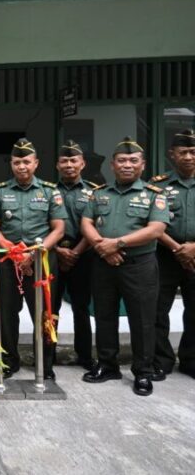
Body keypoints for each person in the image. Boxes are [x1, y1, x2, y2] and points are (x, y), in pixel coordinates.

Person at [80, 137, 168, 396]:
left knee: (142, 320)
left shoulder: (154, 195)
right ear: (112, 165)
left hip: (139, 265)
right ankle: (108, 365)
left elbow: (156, 229)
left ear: (143, 164)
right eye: (121, 160)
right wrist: (102, 247)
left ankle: (143, 372)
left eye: (133, 160)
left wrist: (116, 244)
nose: (127, 165)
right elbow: (87, 222)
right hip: (104, 264)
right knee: (104, 315)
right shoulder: (99, 193)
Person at [0, 138, 66, 380]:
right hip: (8, 261)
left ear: (36, 163)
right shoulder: (0, 192)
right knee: (7, 312)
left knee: (44, 312)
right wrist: (12, 251)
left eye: (26, 162)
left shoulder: (50, 191)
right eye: (17, 162)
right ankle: (9, 360)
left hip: (40, 261)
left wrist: (33, 253)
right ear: (11, 164)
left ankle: (45, 363)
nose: (22, 166)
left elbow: (58, 229)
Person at [150, 129, 195, 380]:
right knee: (158, 310)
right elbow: (150, 222)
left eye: (192, 152)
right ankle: (161, 360)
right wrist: (178, 249)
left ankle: (191, 359)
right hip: (165, 255)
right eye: (183, 152)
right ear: (172, 154)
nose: (188, 157)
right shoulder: (158, 186)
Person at [55, 140, 101, 370]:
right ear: (57, 165)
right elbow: (40, 225)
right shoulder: (47, 191)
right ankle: (47, 356)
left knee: (81, 308)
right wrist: (57, 250)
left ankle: (84, 356)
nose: (69, 165)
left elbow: (95, 225)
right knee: (49, 309)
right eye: (64, 161)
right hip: (52, 255)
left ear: (82, 164)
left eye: (74, 160)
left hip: (83, 255)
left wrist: (75, 252)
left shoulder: (93, 192)